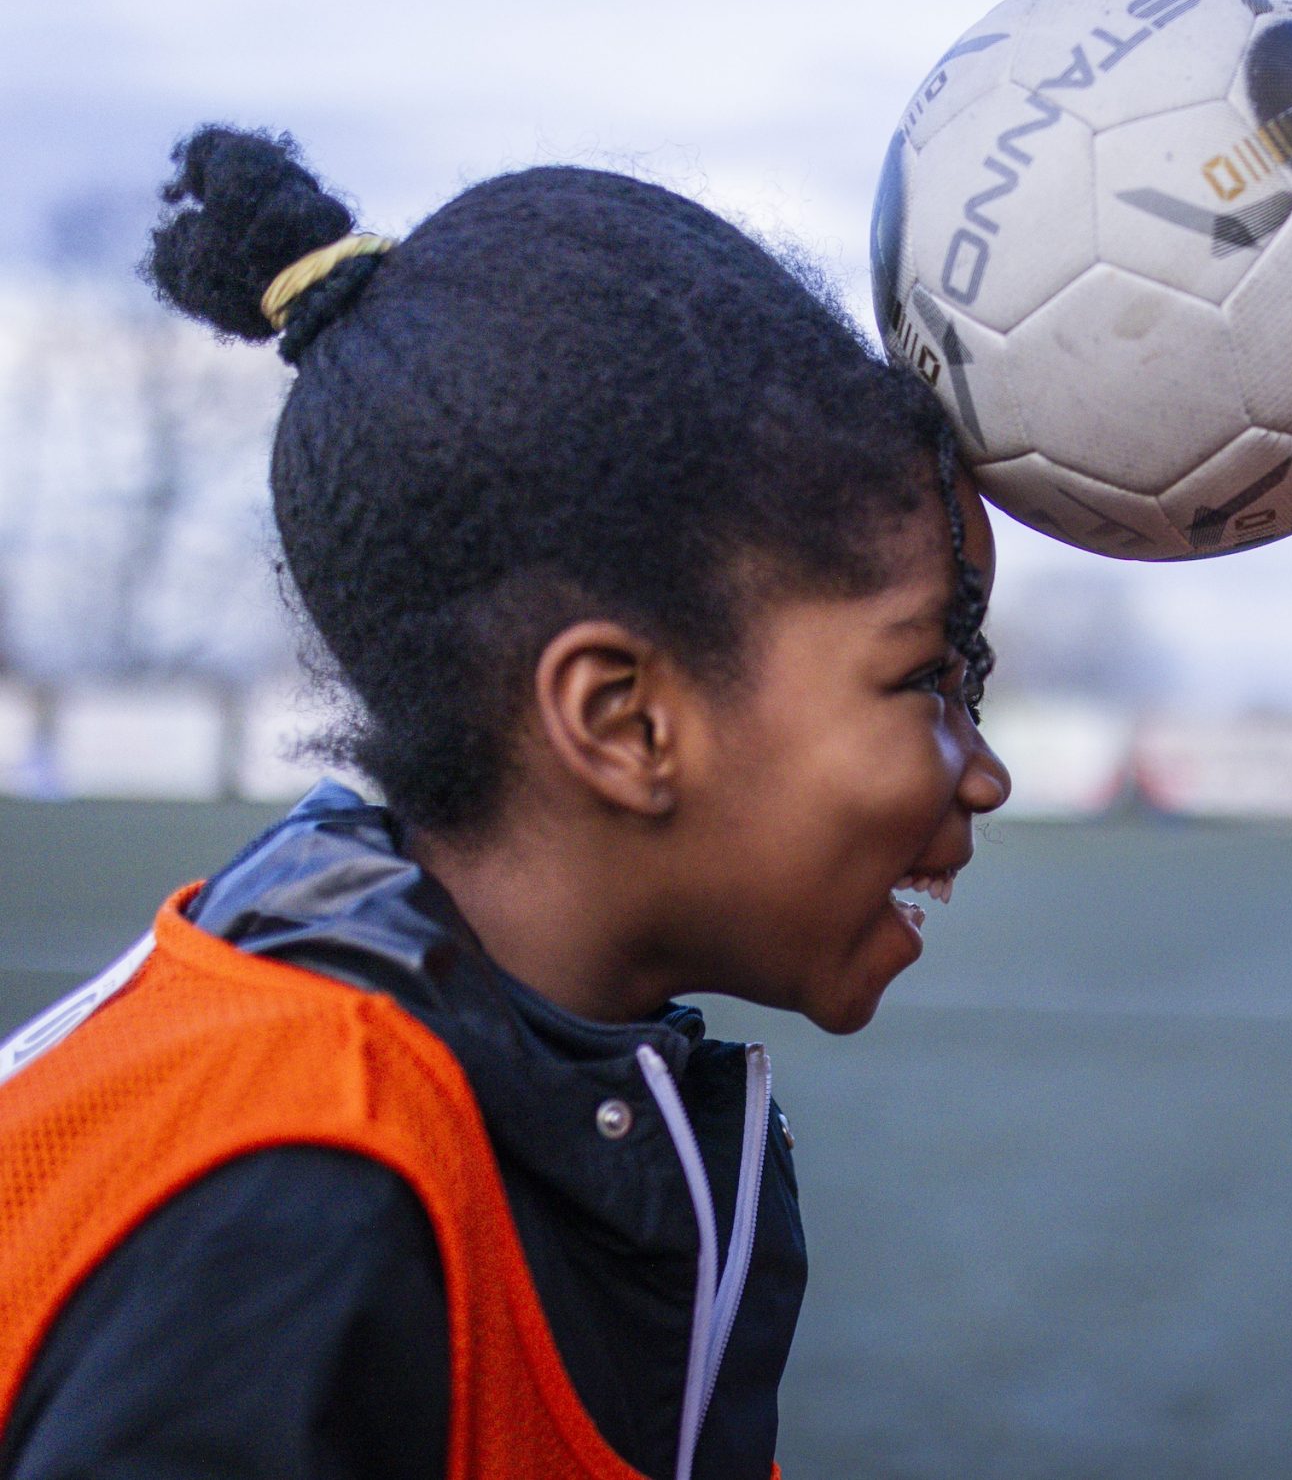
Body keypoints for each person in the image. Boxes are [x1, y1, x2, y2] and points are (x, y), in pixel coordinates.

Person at [0, 127, 1010, 1480]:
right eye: (927, 678)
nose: (983, 768)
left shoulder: (587, 1097)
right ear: (622, 720)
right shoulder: (297, 1192)